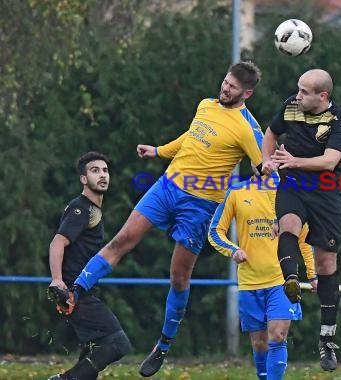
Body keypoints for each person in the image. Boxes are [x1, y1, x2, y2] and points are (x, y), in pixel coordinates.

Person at [47, 61, 264, 378]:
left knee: (178, 276)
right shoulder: (206, 105)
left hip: (200, 207)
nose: (225, 88)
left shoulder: (247, 129)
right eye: (225, 81)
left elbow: (264, 171)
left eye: (232, 87)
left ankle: (163, 344)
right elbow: (191, 137)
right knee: (122, 240)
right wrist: (158, 151)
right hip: (167, 187)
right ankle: (73, 293)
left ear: (247, 93)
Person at [261, 69, 341, 371]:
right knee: (288, 225)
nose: (297, 96)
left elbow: (330, 161)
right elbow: (271, 133)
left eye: (304, 92)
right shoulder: (290, 106)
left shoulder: (339, 121)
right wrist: (266, 161)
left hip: (325, 193)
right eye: (297, 90)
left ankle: (327, 342)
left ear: (322, 96)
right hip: (293, 184)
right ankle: (291, 279)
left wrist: (293, 160)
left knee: (326, 265)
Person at [208, 173, 317, 380]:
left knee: (277, 336)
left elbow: (303, 239)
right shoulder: (237, 191)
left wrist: (312, 274)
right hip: (250, 282)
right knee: (259, 344)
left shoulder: (290, 192)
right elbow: (215, 231)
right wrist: (232, 250)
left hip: (283, 280)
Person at [46, 151, 131, 380]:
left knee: (93, 354)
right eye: (95, 171)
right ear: (83, 179)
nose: (102, 175)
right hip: (75, 293)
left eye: (105, 171)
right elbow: (57, 242)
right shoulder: (82, 208)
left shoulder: (93, 210)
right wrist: (58, 281)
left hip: (85, 290)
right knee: (118, 343)